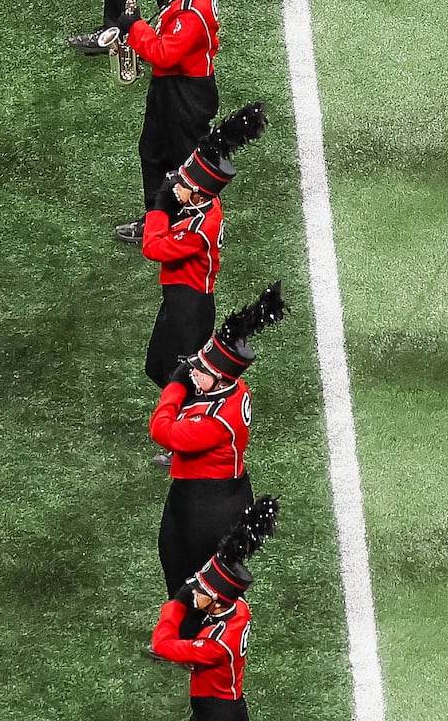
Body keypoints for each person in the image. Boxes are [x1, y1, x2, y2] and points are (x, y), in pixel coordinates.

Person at [119, 0, 244, 211]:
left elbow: (165, 53)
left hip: (186, 94)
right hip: (170, 86)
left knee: (183, 166)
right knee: (152, 151)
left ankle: (189, 225)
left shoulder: (193, 10)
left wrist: (134, 26)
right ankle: (156, 218)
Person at [154, 283, 286, 590]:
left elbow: (163, 431)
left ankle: (197, 636)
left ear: (220, 378)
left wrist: (174, 388)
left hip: (212, 504)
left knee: (201, 583)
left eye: (202, 369)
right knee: (172, 558)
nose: (193, 370)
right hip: (194, 493)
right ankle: (178, 633)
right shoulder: (234, 389)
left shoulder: (217, 421)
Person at [143, 105, 266, 394]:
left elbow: (152, 247)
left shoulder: (200, 229)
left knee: (185, 381)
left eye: (185, 182)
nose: (177, 181)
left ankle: (191, 425)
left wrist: (160, 205)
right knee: (157, 367)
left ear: (198, 193)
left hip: (191, 307)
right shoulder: (201, 202)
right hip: (176, 299)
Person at [149, 497, 280, 714]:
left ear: (216, 602)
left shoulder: (215, 644)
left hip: (216, 711)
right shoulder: (238, 608)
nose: (194, 593)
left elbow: (162, 645)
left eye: (201, 592)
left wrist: (175, 605)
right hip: (227, 704)